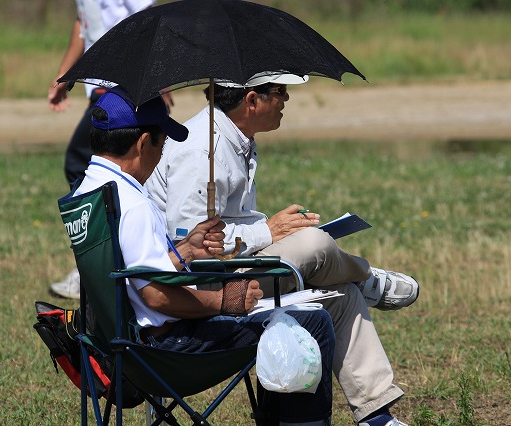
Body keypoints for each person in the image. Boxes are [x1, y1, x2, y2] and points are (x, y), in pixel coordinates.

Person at [145, 73, 411, 425]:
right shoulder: (201, 150)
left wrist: (270, 232)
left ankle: (376, 415)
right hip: (207, 285)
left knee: (342, 296)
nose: (286, 99)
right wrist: (268, 231)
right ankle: (365, 278)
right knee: (315, 242)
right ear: (252, 100)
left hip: (234, 269)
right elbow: (195, 245)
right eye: (280, 92)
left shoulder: (233, 137)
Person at [73, 88, 337, 425]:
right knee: (311, 321)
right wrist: (225, 301)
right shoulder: (135, 205)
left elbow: (131, 273)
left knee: (286, 316)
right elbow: (155, 295)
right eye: (162, 144)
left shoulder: (89, 192)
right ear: (143, 144)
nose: (163, 154)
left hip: (115, 345)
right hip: (166, 350)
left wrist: (185, 249)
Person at [47, 0, 173, 299]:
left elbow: (146, 18)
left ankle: (105, 259)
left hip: (122, 83)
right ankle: (104, 258)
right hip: (101, 83)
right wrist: (66, 73)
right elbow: (83, 22)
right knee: (89, 163)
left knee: (89, 162)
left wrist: (157, 77)